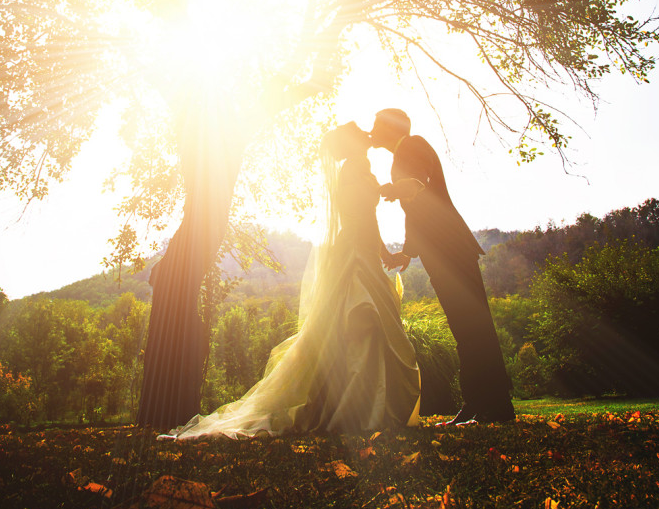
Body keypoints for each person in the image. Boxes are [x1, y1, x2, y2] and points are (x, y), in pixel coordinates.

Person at [160, 121, 420, 440]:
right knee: (360, 320)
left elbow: (370, 218)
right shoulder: (351, 172)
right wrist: (386, 193)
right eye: (357, 131)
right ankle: (355, 407)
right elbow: (356, 216)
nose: (364, 131)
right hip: (351, 254)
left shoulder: (363, 169)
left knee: (373, 325)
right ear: (351, 145)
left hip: (364, 252)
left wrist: (385, 253)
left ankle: (373, 405)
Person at [369, 108, 515, 425]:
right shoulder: (403, 152)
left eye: (377, 125)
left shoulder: (411, 144)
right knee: (466, 328)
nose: (372, 130)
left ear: (392, 127)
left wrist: (392, 188)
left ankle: (494, 406)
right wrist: (407, 252)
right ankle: (479, 404)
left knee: (473, 326)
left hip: (450, 248)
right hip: (442, 250)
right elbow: (416, 211)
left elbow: (417, 186)